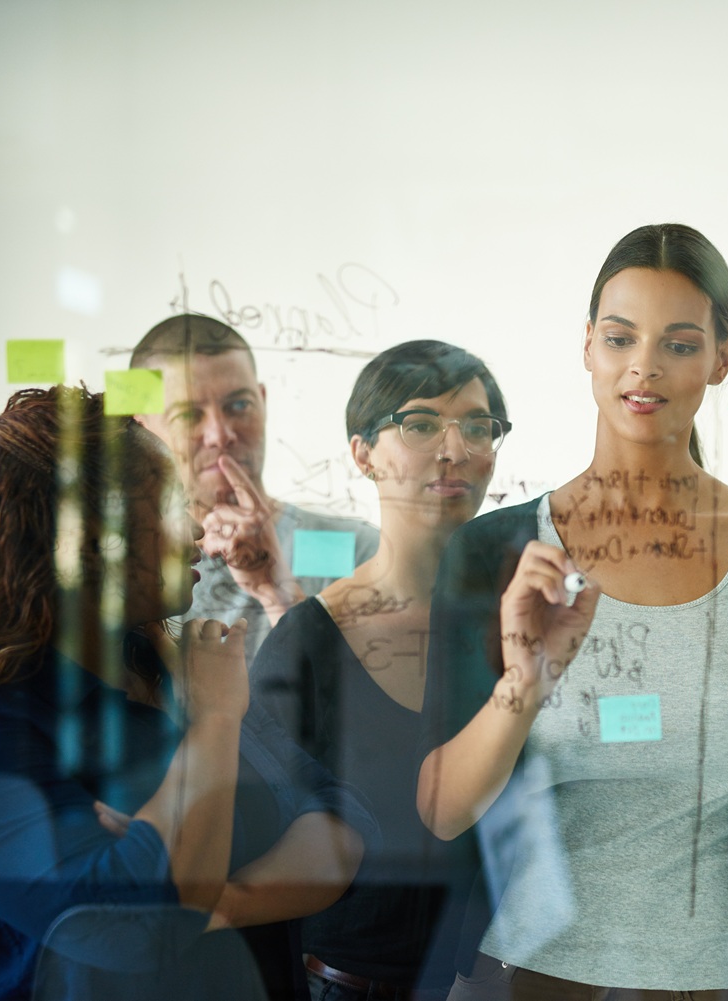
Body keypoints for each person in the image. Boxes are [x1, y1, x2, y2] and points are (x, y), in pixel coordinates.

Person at [416, 223, 728, 1000]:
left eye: (680, 344)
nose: (644, 367)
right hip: (523, 977)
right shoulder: (493, 554)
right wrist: (524, 682)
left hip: (715, 980)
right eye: (621, 337)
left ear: (723, 357)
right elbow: (440, 810)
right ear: (587, 345)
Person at [0, 386, 375, 1001]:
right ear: (99, 542)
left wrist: (215, 897)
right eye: (173, 505)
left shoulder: (172, 666)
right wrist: (215, 727)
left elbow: (346, 823)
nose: (198, 532)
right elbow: (132, 931)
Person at [252, 341, 512, 1000]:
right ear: (362, 451)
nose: (453, 448)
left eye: (477, 426)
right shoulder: (308, 641)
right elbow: (260, 850)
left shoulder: (530, 623)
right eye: (421, 424)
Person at [130, 314, 379, 660]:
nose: (220, 434)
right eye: (188, 415)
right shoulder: (128, 571)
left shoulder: (358, 552)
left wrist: (277, 592)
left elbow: (374, 706)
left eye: (238, 405)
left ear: (262, 401)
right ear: (143, 427)